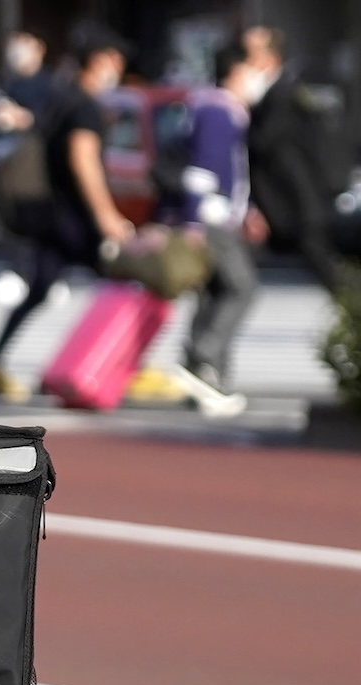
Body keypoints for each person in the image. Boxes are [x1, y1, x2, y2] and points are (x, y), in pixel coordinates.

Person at [0, 23, 134, 401]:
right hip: (74, 217)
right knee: (124, 280)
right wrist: (106, 216)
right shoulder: (85, 105)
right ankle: (112, 365)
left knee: (40, 288)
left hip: (50, 213)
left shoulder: (61, 97)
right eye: (117, 59)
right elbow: (84, 161)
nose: (120, 68)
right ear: (101, 61)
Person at [171, 44, 266, 417]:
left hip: (218, 214)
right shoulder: (217, 110)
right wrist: (195, 220)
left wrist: (249, 208)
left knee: (214, 291)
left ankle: (205, 377)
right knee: (242, 287)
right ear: (236, 71)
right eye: (252, 69)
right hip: (213, 217)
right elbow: (204, 169)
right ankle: (204, 359)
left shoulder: (213, 107)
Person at [243, 26, 353, 296]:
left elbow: (264, 141)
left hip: (299, 197)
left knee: (321, 258)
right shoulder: (281, 90)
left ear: (271, 57)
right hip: (292, 198)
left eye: (250, 54)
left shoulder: (283, 92)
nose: (245, 61)